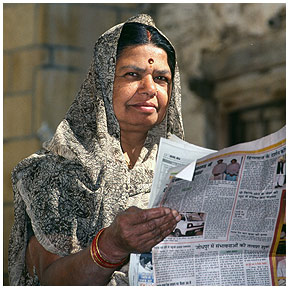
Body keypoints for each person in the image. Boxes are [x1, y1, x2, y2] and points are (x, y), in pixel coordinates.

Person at [8, 14, 184, 286]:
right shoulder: (56, 171)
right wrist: (111, 245)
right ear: (102, 83)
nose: (149, 89)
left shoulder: (185, 169)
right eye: (132, 75)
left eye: (161, 78)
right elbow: (49, 279)